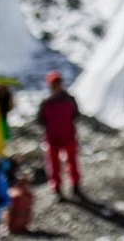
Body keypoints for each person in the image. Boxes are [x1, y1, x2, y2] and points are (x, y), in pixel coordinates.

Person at [37, 71, 81, 200]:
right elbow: (40, 120)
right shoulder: (46, 103)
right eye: (54, 84)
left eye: (58, 83)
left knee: (72, 163)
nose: (56, 86)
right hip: (53, 139)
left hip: (69, 137)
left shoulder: (70, 99)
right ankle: (58, 190)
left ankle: (76, 186)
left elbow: (75, 115)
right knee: (54, 165)